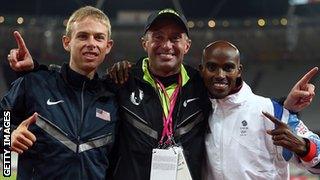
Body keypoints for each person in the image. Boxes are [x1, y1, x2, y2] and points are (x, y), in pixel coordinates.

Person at [5, 8, 317, 180]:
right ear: (144, 42)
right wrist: (8, 141)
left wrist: (286, 109)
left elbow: (237, 100)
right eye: (158, 37)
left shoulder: (202, 85)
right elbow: (15, 116)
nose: (166, 45)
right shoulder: (118, 83)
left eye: (175, 38)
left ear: (186, 46)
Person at [1, 6, 118, 179]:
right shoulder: (35, 83)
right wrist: (8, 136)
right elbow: (4, 118)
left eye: (99, 38)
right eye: (83, 36)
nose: (91, 44)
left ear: (108, 46)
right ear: (67, 42)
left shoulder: (113, 101)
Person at [200, 40, 320, 179]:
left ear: (239, 71)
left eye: (228, 68)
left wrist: (304, 147)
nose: (220, 75)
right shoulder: (197, 112)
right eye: (212, 67)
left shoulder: (272, 111)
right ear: (201, 69)